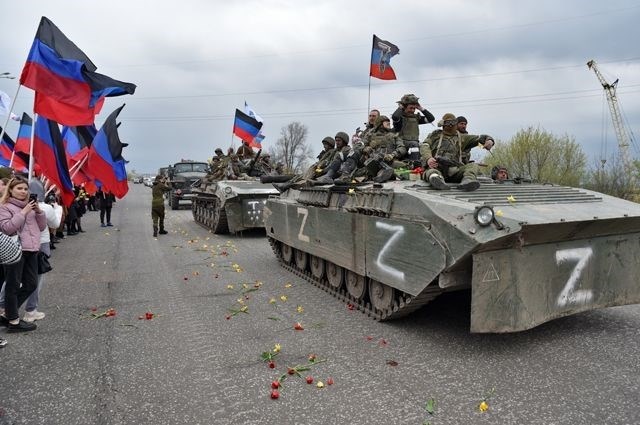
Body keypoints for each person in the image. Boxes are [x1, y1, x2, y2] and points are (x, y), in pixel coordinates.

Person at [0, 179, 63, 323]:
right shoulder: (5, 207)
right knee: (13, 285)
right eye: (19, 188)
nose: (23, 191)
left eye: (25, 189)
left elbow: (41, 227)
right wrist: (24, 212)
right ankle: (13, 320)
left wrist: (39, 212)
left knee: (31, 284)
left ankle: (9, 312)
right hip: (15, 251)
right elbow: (8, 228)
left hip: (33, 249)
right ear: (10, 190)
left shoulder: (31, 206)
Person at [420, 113, 495, 191]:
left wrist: (489, 141)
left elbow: (481, 138)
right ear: (443, 124)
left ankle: (468, 181)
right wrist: (429, 158)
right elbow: (425, 146)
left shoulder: (462, 138)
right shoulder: (435, 135)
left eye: (452, 123)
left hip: (455, 170)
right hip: (437, 167)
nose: (450, 126)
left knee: (473, 166)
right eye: (447, 123)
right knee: (431, 172)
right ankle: (437, 180)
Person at [391, 94, 435, 164]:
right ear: (404, 107)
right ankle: (415, 163)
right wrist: (401, 107)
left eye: (414, 108)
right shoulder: (399, 118)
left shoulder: (415, 118)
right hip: (401, 144)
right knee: (414, 144)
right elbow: (395, 117)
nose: (412, 110)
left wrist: (421, 108)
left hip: (415, 144)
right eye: (410, 108)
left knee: (424, 148)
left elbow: (431, 119)